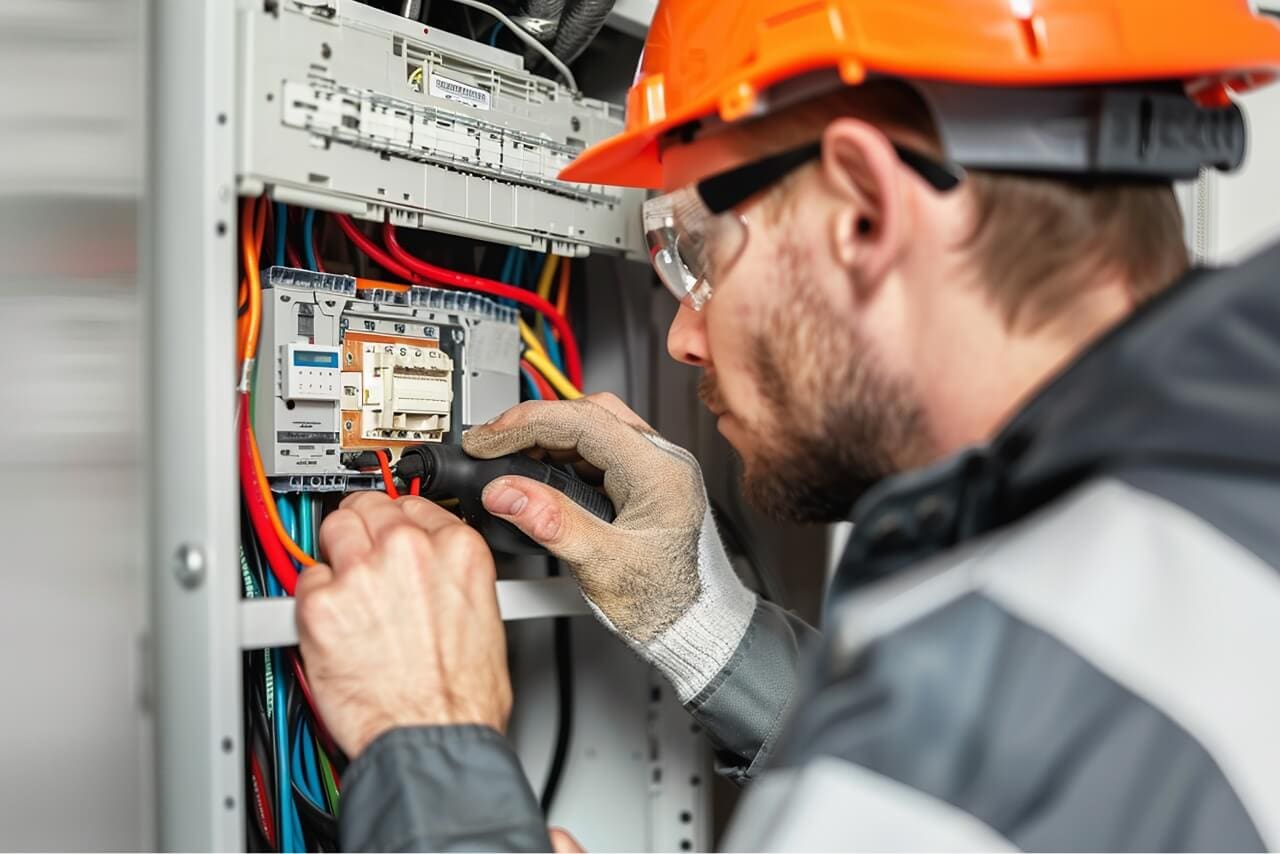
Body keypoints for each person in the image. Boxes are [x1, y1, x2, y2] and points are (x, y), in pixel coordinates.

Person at [294, 1, 1280, 849]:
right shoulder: (1216, 513)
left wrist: (428, 752)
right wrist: (704, 628)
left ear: (861, 212)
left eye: (695, 250)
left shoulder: (970, 763)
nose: (682, 332)